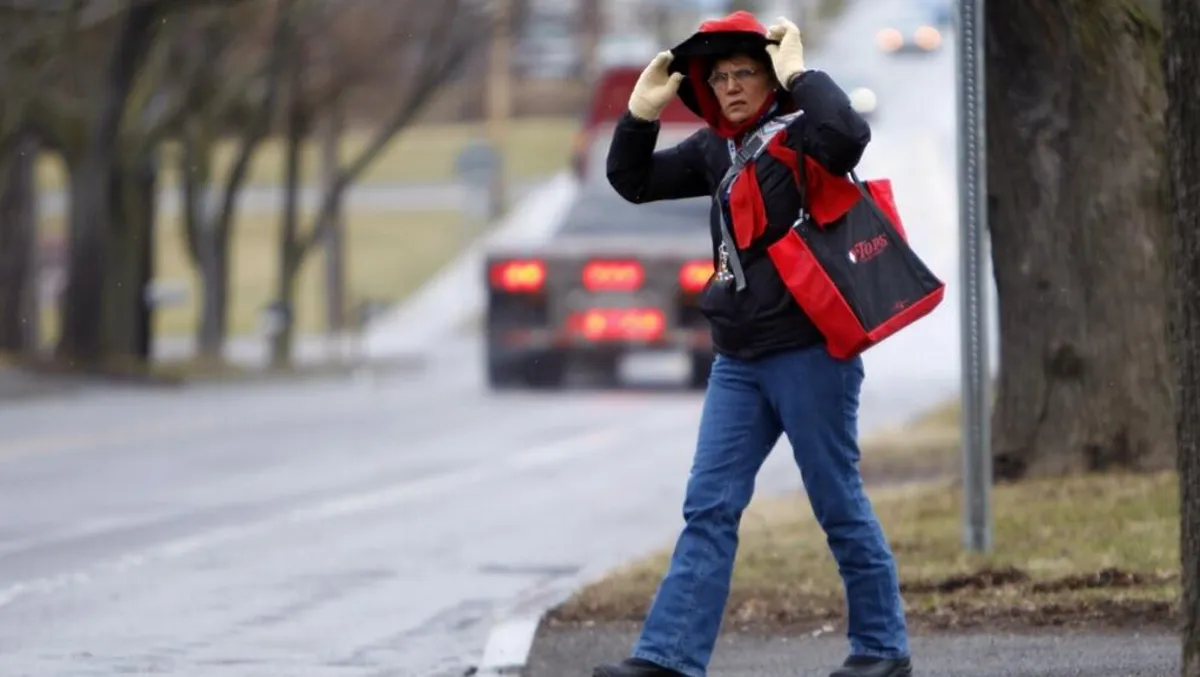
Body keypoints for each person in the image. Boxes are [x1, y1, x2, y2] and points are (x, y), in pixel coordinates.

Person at [592, 11, 912, 677]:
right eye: (720, 78)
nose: (733, 87)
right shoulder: (716, 149)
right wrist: (640, 114)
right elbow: (633, 181)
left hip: (809, 353)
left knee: (836, 500)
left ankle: (883, 649)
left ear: (770, 79)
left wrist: (802, 75)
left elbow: (849, 134)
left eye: (745, 73)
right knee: (709, 507)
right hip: (738, 361)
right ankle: (669, 658)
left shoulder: (803, 133)